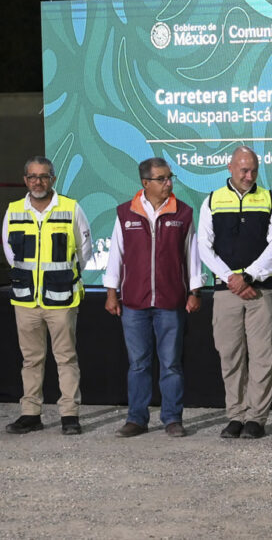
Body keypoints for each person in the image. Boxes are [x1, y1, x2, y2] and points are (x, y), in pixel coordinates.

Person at [103, 158, 203, 438]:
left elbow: (192, 255)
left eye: (170, 177)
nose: (168, 183)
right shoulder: (126, 213)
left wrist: (194, 291)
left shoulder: (183, 213)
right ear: (145, 183)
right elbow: (116, 254)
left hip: (171, 302)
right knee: (138, 364)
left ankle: (172, 418)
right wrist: (111, 293)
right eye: (162, 179)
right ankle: (136, 419)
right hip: (134, 302)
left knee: (171, 364)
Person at [198, 145, 272, 439]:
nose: (249, 176)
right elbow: (204, 247)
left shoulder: (270, 200)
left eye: (254, 171)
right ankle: (235, 415)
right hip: (226, 293)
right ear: (230, 168)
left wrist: (247, 277)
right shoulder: (212, 201)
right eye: (244, 170)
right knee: (230, 354)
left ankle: (256, 419)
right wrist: (231, 279)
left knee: (262, 356)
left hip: (261, 291)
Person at [1, 155, 93, 435]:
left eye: (43, 176)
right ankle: (31, 414)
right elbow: (10, 253)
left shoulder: (71, 208)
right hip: (26, 300)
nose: (37, 182)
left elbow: (85, 251)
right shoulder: (14, 210)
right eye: (32, 176)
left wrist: (62, 276)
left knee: (66, 358)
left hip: (62, 298)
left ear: (53, 179)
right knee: (31, 359)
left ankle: (69, 415)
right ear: (25, 180)